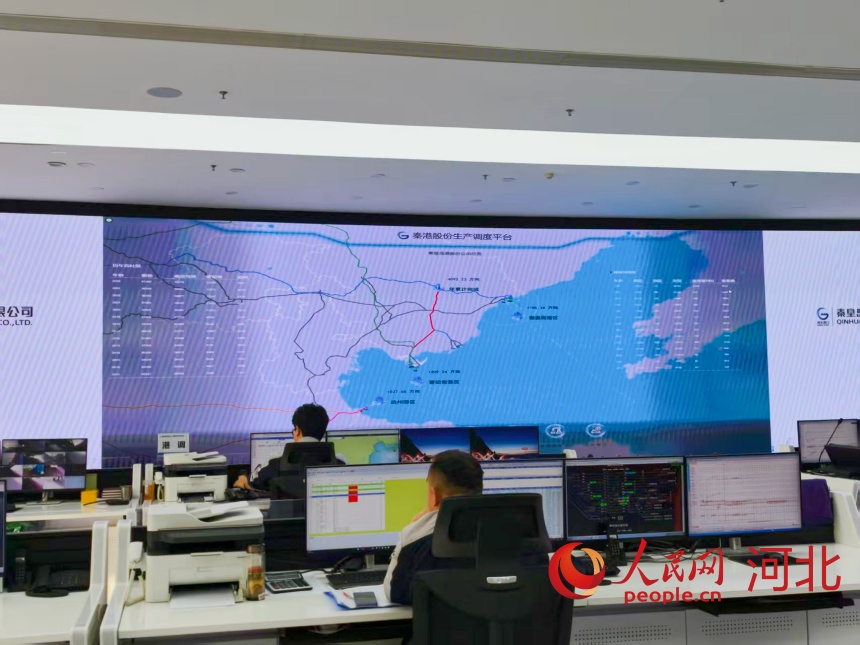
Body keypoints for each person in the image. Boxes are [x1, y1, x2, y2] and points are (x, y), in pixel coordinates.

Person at [383, 449, 483, 605]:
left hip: (441, 620)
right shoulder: (509, 527)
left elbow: (394, 592)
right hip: (497, 618)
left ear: (434, 495)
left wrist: (413, 528)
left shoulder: (418, 535)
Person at [233, 403, 333, 490]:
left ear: (297, 430)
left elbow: (250, 483)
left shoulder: (276, 463)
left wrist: (243, 478)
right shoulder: (337, 462)